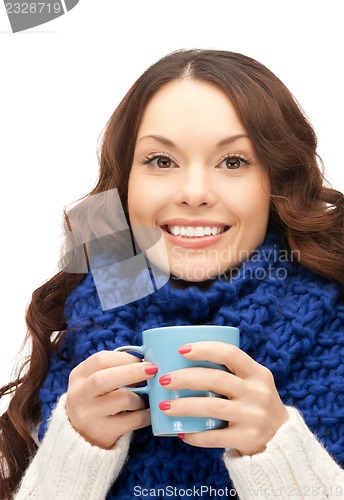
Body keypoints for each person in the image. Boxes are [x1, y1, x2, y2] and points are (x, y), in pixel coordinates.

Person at [1, 48, 343, 500]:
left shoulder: (333, 327)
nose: (194, 192)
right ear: (125, 183)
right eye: (162, 161)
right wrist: (77, 447)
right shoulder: (78, 328)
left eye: (234, 161)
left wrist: (277, 448)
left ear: (275, 181)